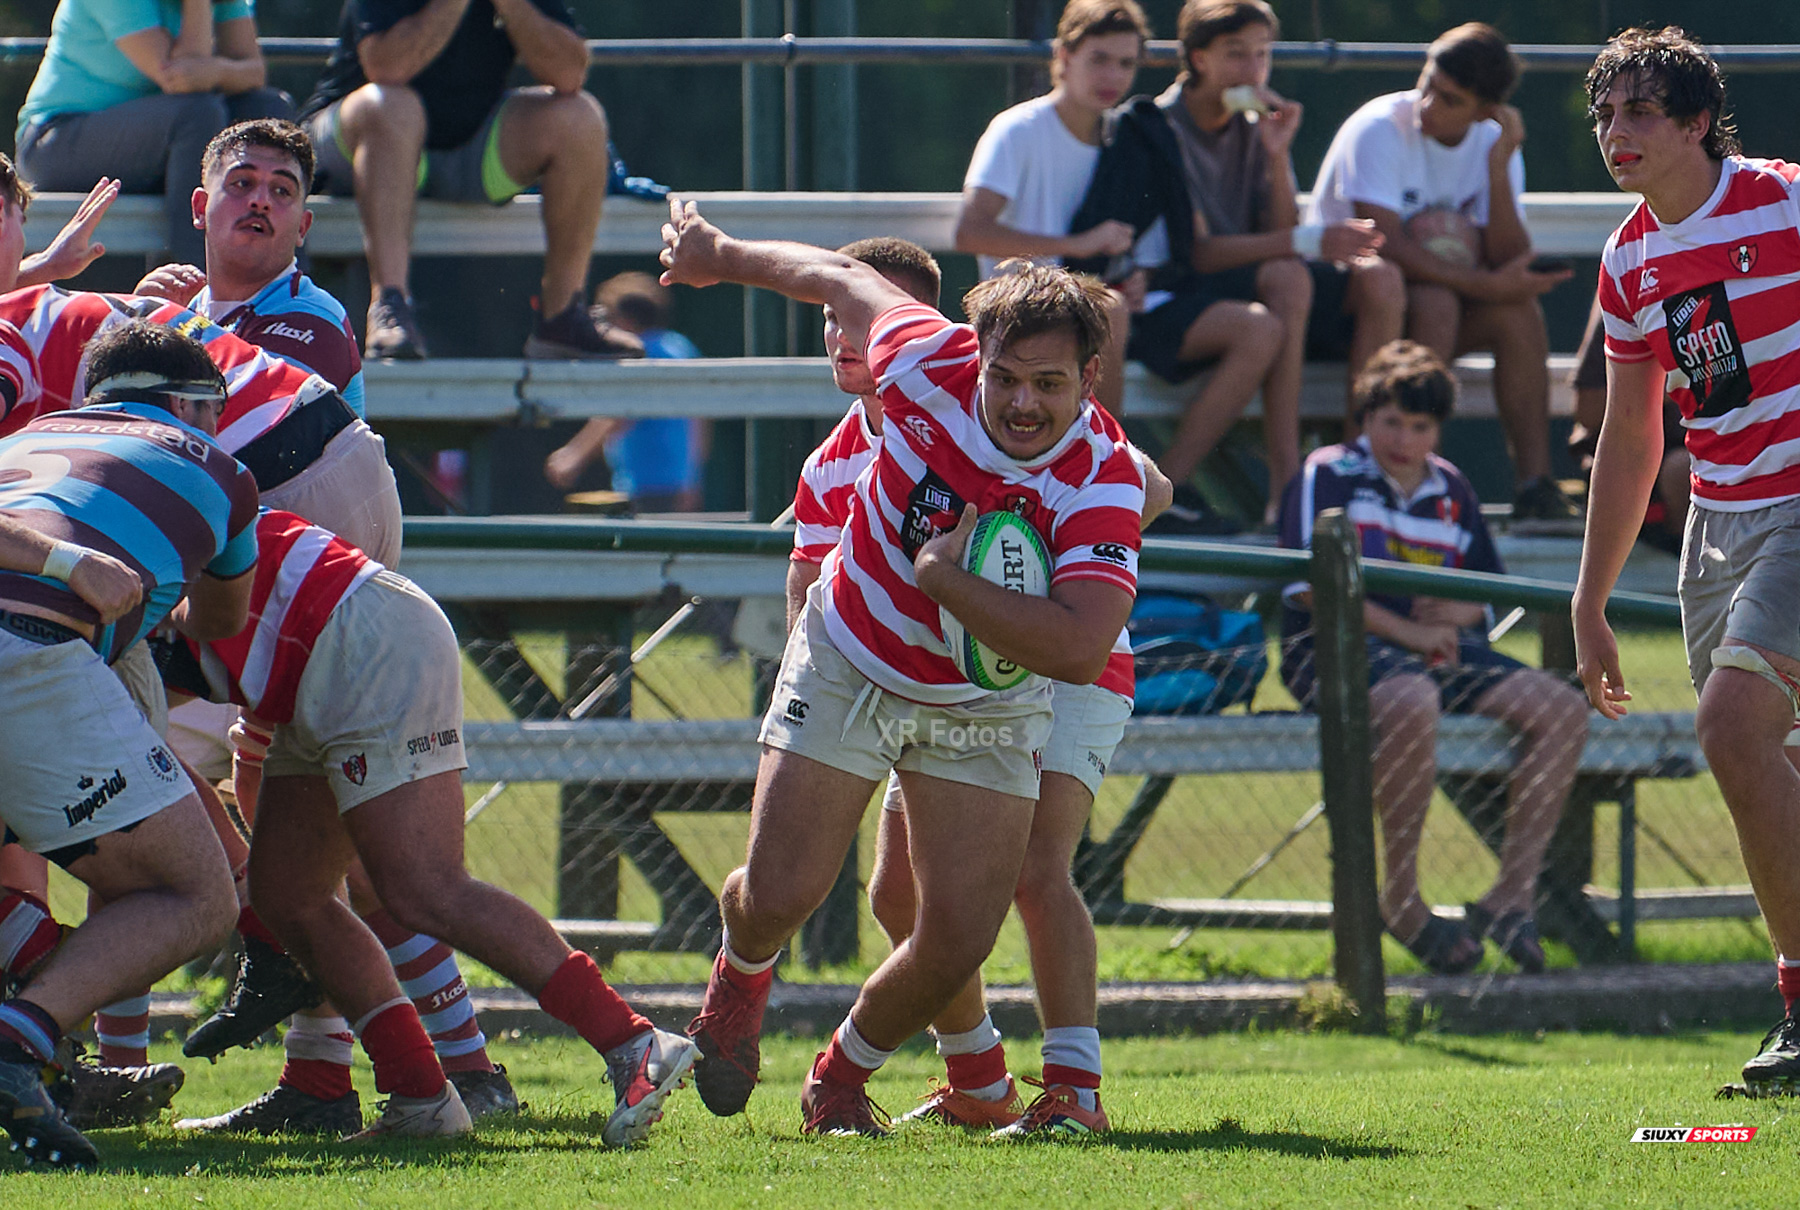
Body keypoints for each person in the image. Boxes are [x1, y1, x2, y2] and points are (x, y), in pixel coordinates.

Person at [662, 196, 1145, 1136]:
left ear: (1091, 377)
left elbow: (1082, 645)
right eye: (1004, 376)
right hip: (855, 652)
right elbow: (837, 276)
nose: (1018, 402)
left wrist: (944, 580)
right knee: (781, 895)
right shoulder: (925, 358)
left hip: (986, 700)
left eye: (1047, 384)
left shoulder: (1105, 474)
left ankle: (839, 1077)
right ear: (974, 353)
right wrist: (719, 253)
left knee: (960, 934)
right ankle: (740, 976)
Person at [150, 506, 697, 1142]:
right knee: (289, 893)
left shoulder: (101, 529)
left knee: (423, 886)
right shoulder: (106, 507)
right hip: (328, 648)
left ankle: (631, 1040)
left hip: (354, 637)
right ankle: (421, 1097)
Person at [791, 240, 1168, 1137]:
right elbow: (814, 591)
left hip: (1065, 668)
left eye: (867, 320)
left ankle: (1074, 1090)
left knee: (1038, 871)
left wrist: (1025, 552)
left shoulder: (1028, 414)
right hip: (937, 681)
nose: (853, 337)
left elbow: (1147, 486)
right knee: (896, 896)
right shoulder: (835, 461)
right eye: (837, 323)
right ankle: (977, 1081)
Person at [1572, 27, 1800, 1092]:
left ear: (1699, 122)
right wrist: (1590, 598)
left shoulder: (1785, 200)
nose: (1617, 133)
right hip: (1719, 526)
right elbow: (1631, 437)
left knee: (1731, 723)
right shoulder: (1627, 261)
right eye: (1606, 115)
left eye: (1641, 112)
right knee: (1753, 756)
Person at [0, 320, 259, 1169]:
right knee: (197, 894)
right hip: (26, 651)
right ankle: (18, 1045)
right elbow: (219, 624)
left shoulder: (30, 434)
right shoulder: (219, 467)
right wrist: (81, 568)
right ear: (192, 405)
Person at [1280, 340, 1587, 974]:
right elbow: (1313, 589)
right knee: (1413, 699)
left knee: (1563, 711)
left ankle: (1510, 897)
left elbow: (1486, 596)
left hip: (1440, 656)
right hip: (1336, 650)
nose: (1403, 437)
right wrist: (1410, 632)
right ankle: (1402, 897)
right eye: (1389, 420)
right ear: (1365, 417)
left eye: (1419, 426)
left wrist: (1458, 614)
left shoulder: (1452, 485)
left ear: (1437, 429)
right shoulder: (1327, 472)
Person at [1306, 22, 1579, 525]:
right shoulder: (1380, 125)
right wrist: (1485, 284)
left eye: (1450, 99)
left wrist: (1498, 168)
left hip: (1425, 316)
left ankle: (1534, 487)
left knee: (1515, 312)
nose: (1428, 104)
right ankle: (1364, 472)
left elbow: (1508, 254)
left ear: (1485, 110)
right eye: (1428, 83)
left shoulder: (1493, 144)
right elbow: (1381, 240)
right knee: (1433, 299)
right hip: (1337, 313)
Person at [1138, 0, 1403, 514]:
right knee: (1290, 278)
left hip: (1258, 280)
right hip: (1182, 291)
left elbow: (1281, 231)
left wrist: (1278, 152)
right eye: (1236, 54)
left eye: (1262, 55)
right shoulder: (1159, 127)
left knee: (1379, 279)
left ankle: (1355, 469)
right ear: (1197, 58)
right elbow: (1198, 254)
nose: (1253, 70)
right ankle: (1286, 477)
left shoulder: (1254, 124)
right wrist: (1309, 242)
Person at [297, 0, 642, 362]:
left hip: (468, 143)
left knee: (580, 116)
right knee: (392, 106)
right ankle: (389, 306)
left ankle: (562, 318)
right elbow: (386, 66)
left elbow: (570, 72)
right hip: (357, 139)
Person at [953, 0, 1150, 416]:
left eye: (1125, 63)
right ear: (1064, 55)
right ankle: (1105, 461)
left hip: (1083, 310)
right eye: (1099, 60)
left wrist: (1138, 278)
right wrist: (1077, 245)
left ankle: (1123, 470)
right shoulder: (1017, 130)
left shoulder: (1126, 143)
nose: (1113, 76)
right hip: (1012, 304)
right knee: (1109, 310)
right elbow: (970, 231)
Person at [15, 0, 292, 266]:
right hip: (57, 141)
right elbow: (180, 80)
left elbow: (253, 72)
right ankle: (202, 282)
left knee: (268, 109)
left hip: (162, 142)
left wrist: (213, 71)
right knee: (198, 112)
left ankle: (288, 286)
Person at [136, 119, 365, 417]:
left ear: (302, 228)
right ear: (199, 208)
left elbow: (229, 431)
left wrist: (148, 344)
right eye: (242, 183)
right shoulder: (183, 310)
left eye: (282, 191)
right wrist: (141, 325)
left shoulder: (315, 321)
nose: (260, 201)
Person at [543, 271, 705, 511]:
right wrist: (693, 479)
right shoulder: (679, 347)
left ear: (626, 321)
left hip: (646, 486)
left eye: (606, 319)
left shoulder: (638, 353)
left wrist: (574, 456)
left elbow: (620, 413)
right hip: (677, 485)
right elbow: (701, 421)